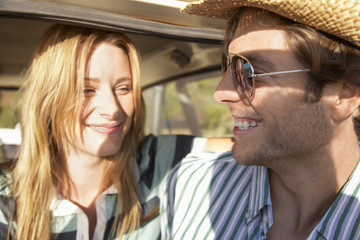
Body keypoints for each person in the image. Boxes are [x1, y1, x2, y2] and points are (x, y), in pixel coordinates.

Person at [0, 24, 232, 240]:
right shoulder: (6, 199)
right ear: (48, 99)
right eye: (87, 89)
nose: (112, 109)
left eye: (123, 88)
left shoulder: (155, 160)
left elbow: (247, 148)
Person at [162, 0, 360, 239]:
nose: (220, 92)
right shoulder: (191, 185)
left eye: (249, 71)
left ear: (344, 95)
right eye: (229, 65)